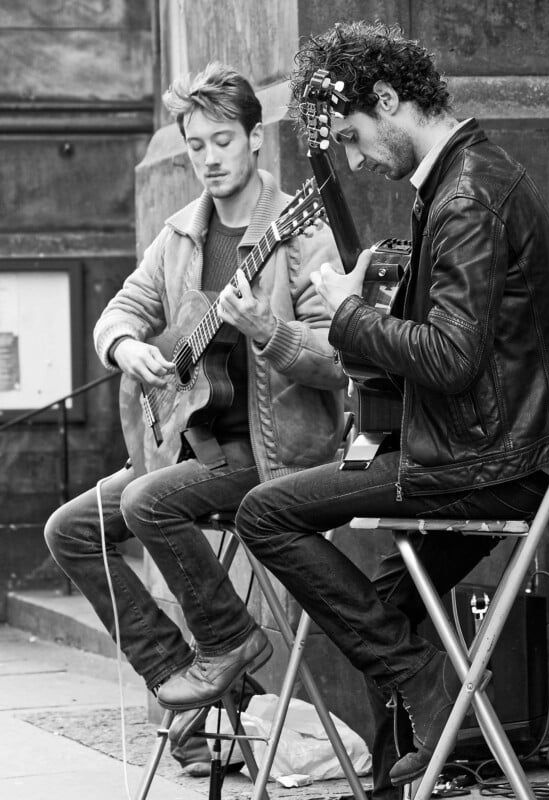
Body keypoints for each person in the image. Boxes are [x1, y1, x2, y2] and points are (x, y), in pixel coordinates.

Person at [230, 20, 549, 795]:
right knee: (385, 601)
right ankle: (410, 772)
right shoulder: (463, 181)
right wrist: (361, 325)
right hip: (485, 448)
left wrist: (349, 313)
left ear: (389, 99)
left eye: (353, 136)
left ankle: (424, 678)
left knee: (263, 514)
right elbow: (453, 350)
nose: (354, 160)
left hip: (479, 462)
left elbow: (450, 359)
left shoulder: (466, 196)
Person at [44, 62, 346, 745]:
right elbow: (117, 313)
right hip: (186, 448)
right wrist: (127, 348)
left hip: (272, 453)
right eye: (195, 146)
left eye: (222, 142)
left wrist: (263, 327)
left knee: (145, 501)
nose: (208, 159)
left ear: (256, 138)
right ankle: (190, 680)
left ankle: (230, 641)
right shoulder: (180, 234)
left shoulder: (301, 230)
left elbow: (339, 362)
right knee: (68, 529)